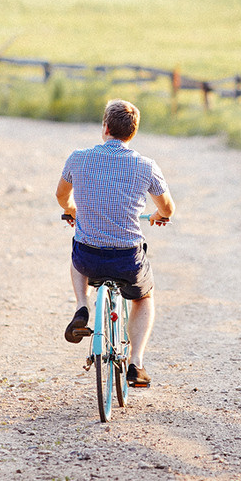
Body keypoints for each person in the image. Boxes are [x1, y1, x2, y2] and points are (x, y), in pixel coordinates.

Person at [58, 99, 175, 388]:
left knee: (77, 253)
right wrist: (159, 215)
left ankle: (82, 306)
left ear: (105, 128)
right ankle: (136, 363)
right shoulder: (146, 166)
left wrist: (73, 211)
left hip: (89, 257)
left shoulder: (78, 158)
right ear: (131, 133)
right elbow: (168, 209)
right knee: (143, 297)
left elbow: (61, 196)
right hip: (127, 259)